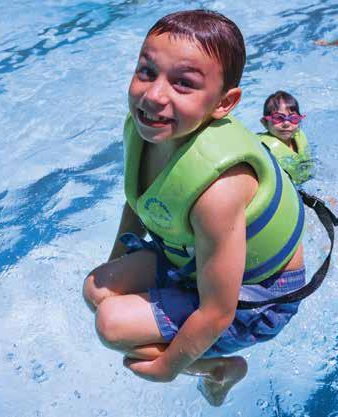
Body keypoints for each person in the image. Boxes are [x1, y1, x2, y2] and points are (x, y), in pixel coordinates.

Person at [82, 10, 308, 406]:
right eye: (147, 72)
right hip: (195, 260)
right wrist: (117, 264)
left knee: (111, 324)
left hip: (257, 295)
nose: (154, 96)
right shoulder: (148, 129)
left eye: (183, 83)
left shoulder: (218, 192)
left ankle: (218, 369)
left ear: (224, 103)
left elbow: (218, 311)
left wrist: (170, 366)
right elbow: (139, 199)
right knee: (96, 289)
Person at [257, 91, 313, 185]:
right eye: (278, 118)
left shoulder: (299, 136)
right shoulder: (262, 148)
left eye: (293, 118)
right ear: (265, 122)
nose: (286, 123)